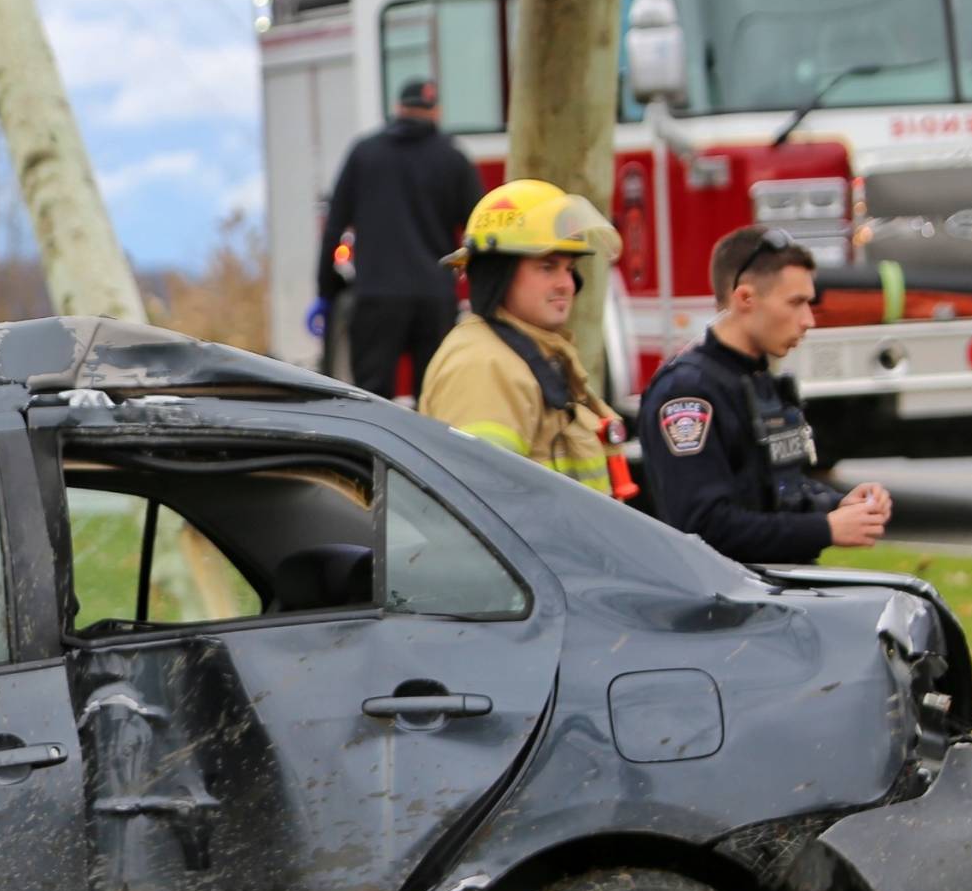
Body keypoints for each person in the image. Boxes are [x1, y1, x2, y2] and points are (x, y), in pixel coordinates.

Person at [639, 226, 893, 562]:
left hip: (771, 594)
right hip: (723, 605)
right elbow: (705, 528)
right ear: (745, 299)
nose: (808, 320)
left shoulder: (755, 378)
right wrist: (826, 529)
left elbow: (776, 492)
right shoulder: (687, 394)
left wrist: (839, 504)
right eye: (796, 303)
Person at [417, 179, 632, 495]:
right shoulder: (482, 367)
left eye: (569, 268)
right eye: (548, 267)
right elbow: (483, 504)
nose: (567, 284)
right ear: (498, 275)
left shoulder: (533, 354)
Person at [315, 76, 485, 400]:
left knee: (371, 402)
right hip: (435, 298)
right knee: (435, 399)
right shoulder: (453, 158)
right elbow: (479, 231)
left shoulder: (364, 154)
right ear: (435, 111)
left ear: (398, 108)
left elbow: (334, 226)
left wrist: (326, 292)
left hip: (376, 297)